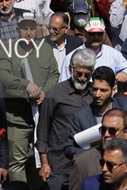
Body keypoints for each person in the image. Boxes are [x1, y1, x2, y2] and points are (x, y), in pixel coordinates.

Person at [37, 48, 96, 190]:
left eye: (87, 75)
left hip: (88, 164)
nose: (82, 78)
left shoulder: (95, 93)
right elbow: (43, 129)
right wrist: (44, 162)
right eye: (79, 73)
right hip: (59, 164)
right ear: (70, 69)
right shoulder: (55, 93)